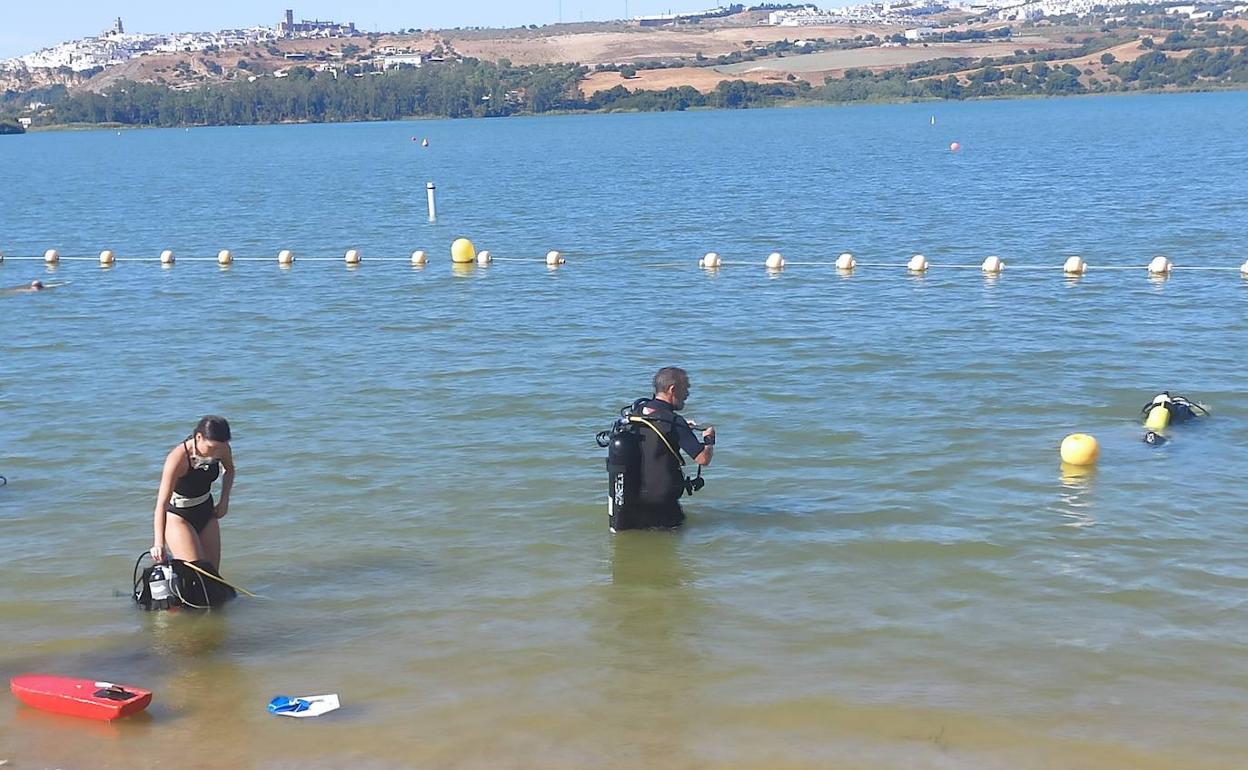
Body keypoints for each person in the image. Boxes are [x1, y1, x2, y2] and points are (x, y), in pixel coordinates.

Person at [611, 367, 714, 531]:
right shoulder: (674, 422)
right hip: (663, 506)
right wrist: (709, 440)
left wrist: (681, 427)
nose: (687, 395)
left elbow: (655, 426)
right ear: (672, 389)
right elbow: (703, 459)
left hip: (634, 502)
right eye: (685, 388)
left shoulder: (637, 413)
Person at [151, 416, 234, 568]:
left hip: (206, 511)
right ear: (198, 437)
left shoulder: (222, 448)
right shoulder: (178, 458)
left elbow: (229, 470)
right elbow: (161, 504)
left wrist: (224, 502)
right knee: (197, 574)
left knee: (212, 574)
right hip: (179, 516)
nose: (216, 453)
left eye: (220, 448)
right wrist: (158, 543)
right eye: (211, 447)